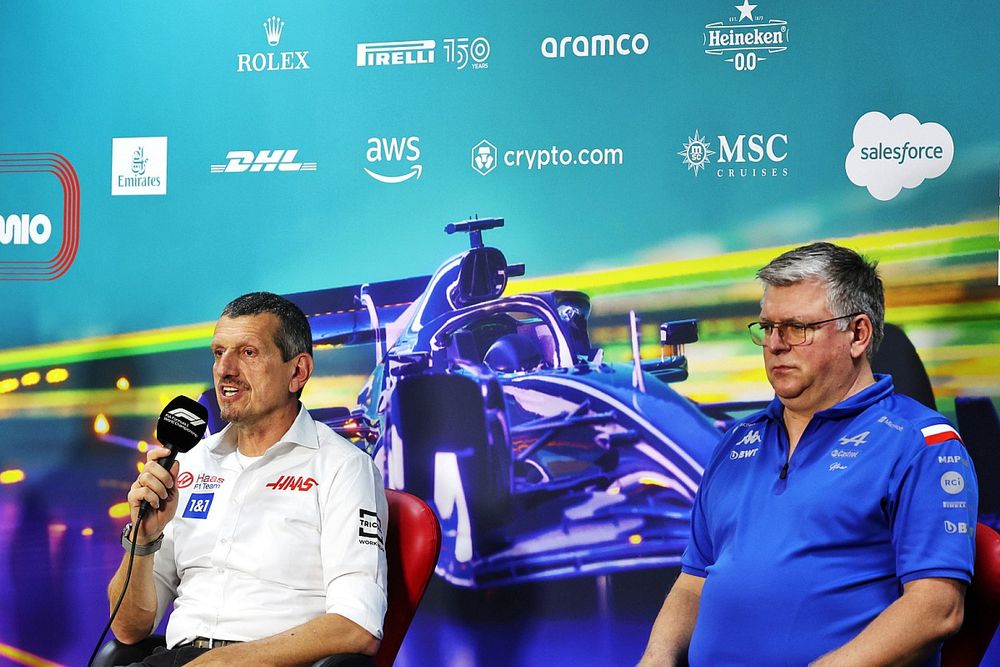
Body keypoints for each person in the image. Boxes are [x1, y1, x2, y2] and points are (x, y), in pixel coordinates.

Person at [638, 242, 978, 666]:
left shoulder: (919, 444)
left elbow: (937, 610)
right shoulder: (736, 440)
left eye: (798, 328)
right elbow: (694, 581)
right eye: (767, 328)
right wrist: (655, 658)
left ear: (858, 334)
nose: (776, 345)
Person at [107, 292, 388, 665]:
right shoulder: (189, 465)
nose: (225, 369)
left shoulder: (342, 468)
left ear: (298, 372)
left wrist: (226, 661)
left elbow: (357, 626)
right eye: (219, 353)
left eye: (248, 353)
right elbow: (128, 629)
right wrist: (143, 538)